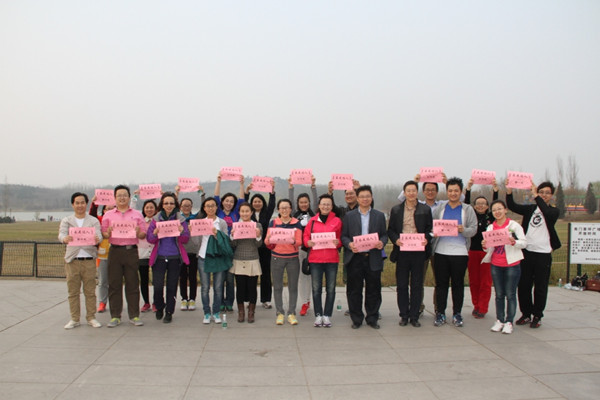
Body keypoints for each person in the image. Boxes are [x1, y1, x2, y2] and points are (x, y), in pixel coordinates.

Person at [507, 180, 561, 328]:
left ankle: (537, 314)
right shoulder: (530, 209)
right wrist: (509, 191)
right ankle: (526, 313)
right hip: (527, 252)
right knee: (524, 284)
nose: (544, 195)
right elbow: (512, 206)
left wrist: (536, 196)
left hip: (543, 253)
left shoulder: (554, 211)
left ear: (552, 195)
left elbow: (547, 213)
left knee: (540, 286)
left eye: (547, 193)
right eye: (541, 192)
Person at [431, 177, 477, 328]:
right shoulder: (440, 208)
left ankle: (457, 313)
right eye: (450, 190)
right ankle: (440, 313)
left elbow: (473, 229)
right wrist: (434, 232)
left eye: (456, 190)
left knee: (458, 285)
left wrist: (464, 230)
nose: (453, 193)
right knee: (441, 285)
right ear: (447, 192)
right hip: (441, 252)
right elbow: (432, 226)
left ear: (461, 191)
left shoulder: (467, 209)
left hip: (460, 253)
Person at [341, 185, 388, 329]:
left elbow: (384, 235)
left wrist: (382, 242)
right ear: (357, 198)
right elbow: (344, 236)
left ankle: (372, 318)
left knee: (374, 289)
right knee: (354, 290)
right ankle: (356, 319)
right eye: (362, 196)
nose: (365, 199)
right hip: (355, 257)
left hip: (373, 257)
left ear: (371, 198)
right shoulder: (349, 216)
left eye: (367, 196)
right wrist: (349, 245)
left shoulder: (379, 216)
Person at [387, 180, 432, 328]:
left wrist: (427, 238)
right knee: (402, 285)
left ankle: (414, 316)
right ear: (404, 193)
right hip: (402, 251)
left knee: (417, 285)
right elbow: (391, 230)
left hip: (419, 251)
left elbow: (430, 229)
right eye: (408, 191)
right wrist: (396, 240)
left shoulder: (425, 209)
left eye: (414, 190)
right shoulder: (396, 210)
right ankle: (404, 315)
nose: (411, 193)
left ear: (417, 192)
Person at [101, 185, 147, 327]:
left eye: (124, 195)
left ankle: (134, 315)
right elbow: (104, 234)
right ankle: (115, 316)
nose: (122, 198)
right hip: (114, 251)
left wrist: (138, 232)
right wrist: (107, 233)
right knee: (114, 284)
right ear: (115, 198)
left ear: (129, 197)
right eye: (119, 195)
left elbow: (143, 235)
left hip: (131, 251)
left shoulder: (137, 214)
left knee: (132, 283)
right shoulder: (108, 215)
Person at [58, 192, 103, 329]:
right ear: (73, 204)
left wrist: (97, 239)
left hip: (89, 260)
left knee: (90, 291)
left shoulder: (93, 221)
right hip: (72, 260)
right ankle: (74, 318)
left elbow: (99, 235)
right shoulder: (67, 220)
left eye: (82, 202)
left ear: (86, 204)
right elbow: (61, 234)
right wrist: (64, 239)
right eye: (77, 203)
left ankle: (91, 317)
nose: (80, 205)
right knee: (73, 292)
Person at [482, 200, 527, 334]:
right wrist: (484, 245)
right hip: (496, 264)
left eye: (499, 209)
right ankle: (499, 320)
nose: (497, 212)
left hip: (512, 264)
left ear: (505, 210)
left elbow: (524, 243)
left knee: (510, 294)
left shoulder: (514, 225)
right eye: (494, 210)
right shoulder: (491, 228)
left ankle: (509, 321)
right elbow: (487, 249)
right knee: (499, 294)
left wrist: (514, 242)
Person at [146, 193, 190, 323]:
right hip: (159, 257)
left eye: (171, 203)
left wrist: (182, 231)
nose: (169, 206)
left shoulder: (180, 219)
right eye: (166, 203)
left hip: (174, 257)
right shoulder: (156, 219)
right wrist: (154, 234)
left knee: (171, 286)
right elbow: (150, 239)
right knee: (158, 286)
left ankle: (169, 312)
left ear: (175, 205)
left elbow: (185, 239)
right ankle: (159, 306)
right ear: (162, 205)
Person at [303, 194, 342, 327]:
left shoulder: (337, 221)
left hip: (332, 259)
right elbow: (305, 236)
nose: (325, 206)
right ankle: (318, 315)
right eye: (323, 204)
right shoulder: (312, 221)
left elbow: (341, 238)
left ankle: (327, 315)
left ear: (332, 206)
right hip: (316, 260)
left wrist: (338, 242)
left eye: (328, 204)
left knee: (331, 289)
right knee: (316, 289)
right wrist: (307, 242)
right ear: (319, 206)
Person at [264, 199, 303, 325]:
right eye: (282, 208)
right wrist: (268, 239)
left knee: (293, 287)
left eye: (287, 207)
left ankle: (291, 313)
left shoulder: (297, 223)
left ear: (291, 209)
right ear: (278, 210)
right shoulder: (273, 223)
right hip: (276, 258)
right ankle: (280, 313)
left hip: (293, 258)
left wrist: (293, 241)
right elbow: (266, 242)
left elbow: (300, 242)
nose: (284, 210)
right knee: (277, 287)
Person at [464, 178, 498, 319]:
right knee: (474, 281)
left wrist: (495, 190)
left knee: (485, 282)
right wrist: (468, 189)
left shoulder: (491, 218)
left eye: (483, 204)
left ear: (487, 206)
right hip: (472, 252)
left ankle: (483, 308)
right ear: (474, 206)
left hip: (487, 254)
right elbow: (466, 204)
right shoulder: (471, 217)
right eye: (478, 204)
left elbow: (496, 204)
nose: (480, 206)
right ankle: (476, 305)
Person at [214, 172, 245, 312]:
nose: (229, 203)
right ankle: (220, 301)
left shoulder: (236, 213)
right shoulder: (218, 212)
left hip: (232, 248)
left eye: (231, 201)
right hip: (219, 247)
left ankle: (229, 302)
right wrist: (219, 182)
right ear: (222, 202)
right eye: (226, 201)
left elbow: (242, 200)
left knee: (230, 278)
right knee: (220, 278)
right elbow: (215, 197)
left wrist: (242, 184)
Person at [196, 197, 229, 324]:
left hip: (218, 257)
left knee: (218, 287)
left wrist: (217, 234)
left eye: (213, 205)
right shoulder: (199, 223)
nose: (210, 208)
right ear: (204, 208)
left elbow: (226, 240)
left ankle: (216, 312)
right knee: (205, 287)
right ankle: (206, 313)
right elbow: (195, 242)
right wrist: (191, 231)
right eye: (208, 206)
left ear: (216, 207)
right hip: (203, 256)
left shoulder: (221, 222)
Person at [244, 181, 276, 310]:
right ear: (251, 204)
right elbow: (243, 204)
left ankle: (266, 299)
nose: (257, 203)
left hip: (264, 249)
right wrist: (247, 192)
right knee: (250, 275)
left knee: (265, 274)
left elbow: (272, 204)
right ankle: (249, 299)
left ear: (263, 203)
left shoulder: (266, 214)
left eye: (259, 201)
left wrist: (272, 192)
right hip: (251, 248)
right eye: (255, 201)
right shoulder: (248, 215)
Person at [288, 175, 317, 316]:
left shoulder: (314, 214)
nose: (303, 204)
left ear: (309, 203)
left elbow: (317, 201)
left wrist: (313, 186)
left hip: (312, 249)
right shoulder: (295, 215)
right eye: (301, 202)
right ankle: (304, 302)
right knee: (301, 276)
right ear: (298, 204)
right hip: (298, 249)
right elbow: (290, 201)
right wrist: (291, 187)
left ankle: (308, 300)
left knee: (310, 276)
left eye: (306, 202)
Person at [230, 202, 263, 323]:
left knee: (252, 287)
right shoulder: (236, 225)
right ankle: (241, 312)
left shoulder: (257, 225)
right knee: (240, 287)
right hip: (239, 258)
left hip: (253, 258)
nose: (244, 213)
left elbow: (259, 244)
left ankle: (251, 312)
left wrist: (258, 236)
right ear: (239, 213)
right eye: (242, 211)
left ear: (251, 212)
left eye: (247, 211)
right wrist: (232, 235)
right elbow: (233, 244)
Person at [89, 197, 115, 313]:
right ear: (103, 210)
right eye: (107, 208)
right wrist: (94, 204)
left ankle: (115, 303)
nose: (110, 210)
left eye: (112, 208)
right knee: (103, 280)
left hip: (116, 255)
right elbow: (92, 216)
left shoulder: (119, 220)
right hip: (102, 255)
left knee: (115, 281)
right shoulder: (99, 221)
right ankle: (102, 302)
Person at [178, 196, 202, 311]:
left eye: (188, 205)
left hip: (193, 251)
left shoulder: (196, 219)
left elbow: (203, 210)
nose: (186, 207)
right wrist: (176, 193)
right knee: (182, 277)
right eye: (184, 205)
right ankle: (184, 298)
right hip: (181, 252)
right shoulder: (177, 220)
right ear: (180, 207)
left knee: (193, 277)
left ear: (192, 207)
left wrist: (201, 194)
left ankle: (192, 299)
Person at [138, 200, 157, 313]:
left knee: (157, 280)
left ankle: (156, 302)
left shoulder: (158, 222)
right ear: (144, 209)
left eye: (151, 207)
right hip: (142, 253)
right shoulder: (140, 222)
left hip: (156, 253)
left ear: (155, 209)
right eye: (147, 207)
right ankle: (146, 302)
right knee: (144, 280)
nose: (149, 209)